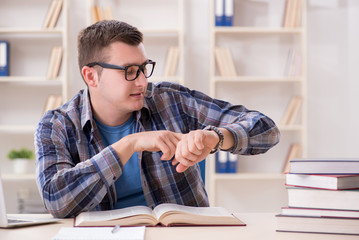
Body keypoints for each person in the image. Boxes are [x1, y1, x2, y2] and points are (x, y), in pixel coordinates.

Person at [35, 20, 280, 218]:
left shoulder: (170, 100)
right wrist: (129, 143)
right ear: (91, 76)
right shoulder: (57, 124)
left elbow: (266, 129)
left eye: (144, 68)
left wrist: (216, 137)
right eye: (129, 71)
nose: (142, 81)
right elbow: (56, 200)